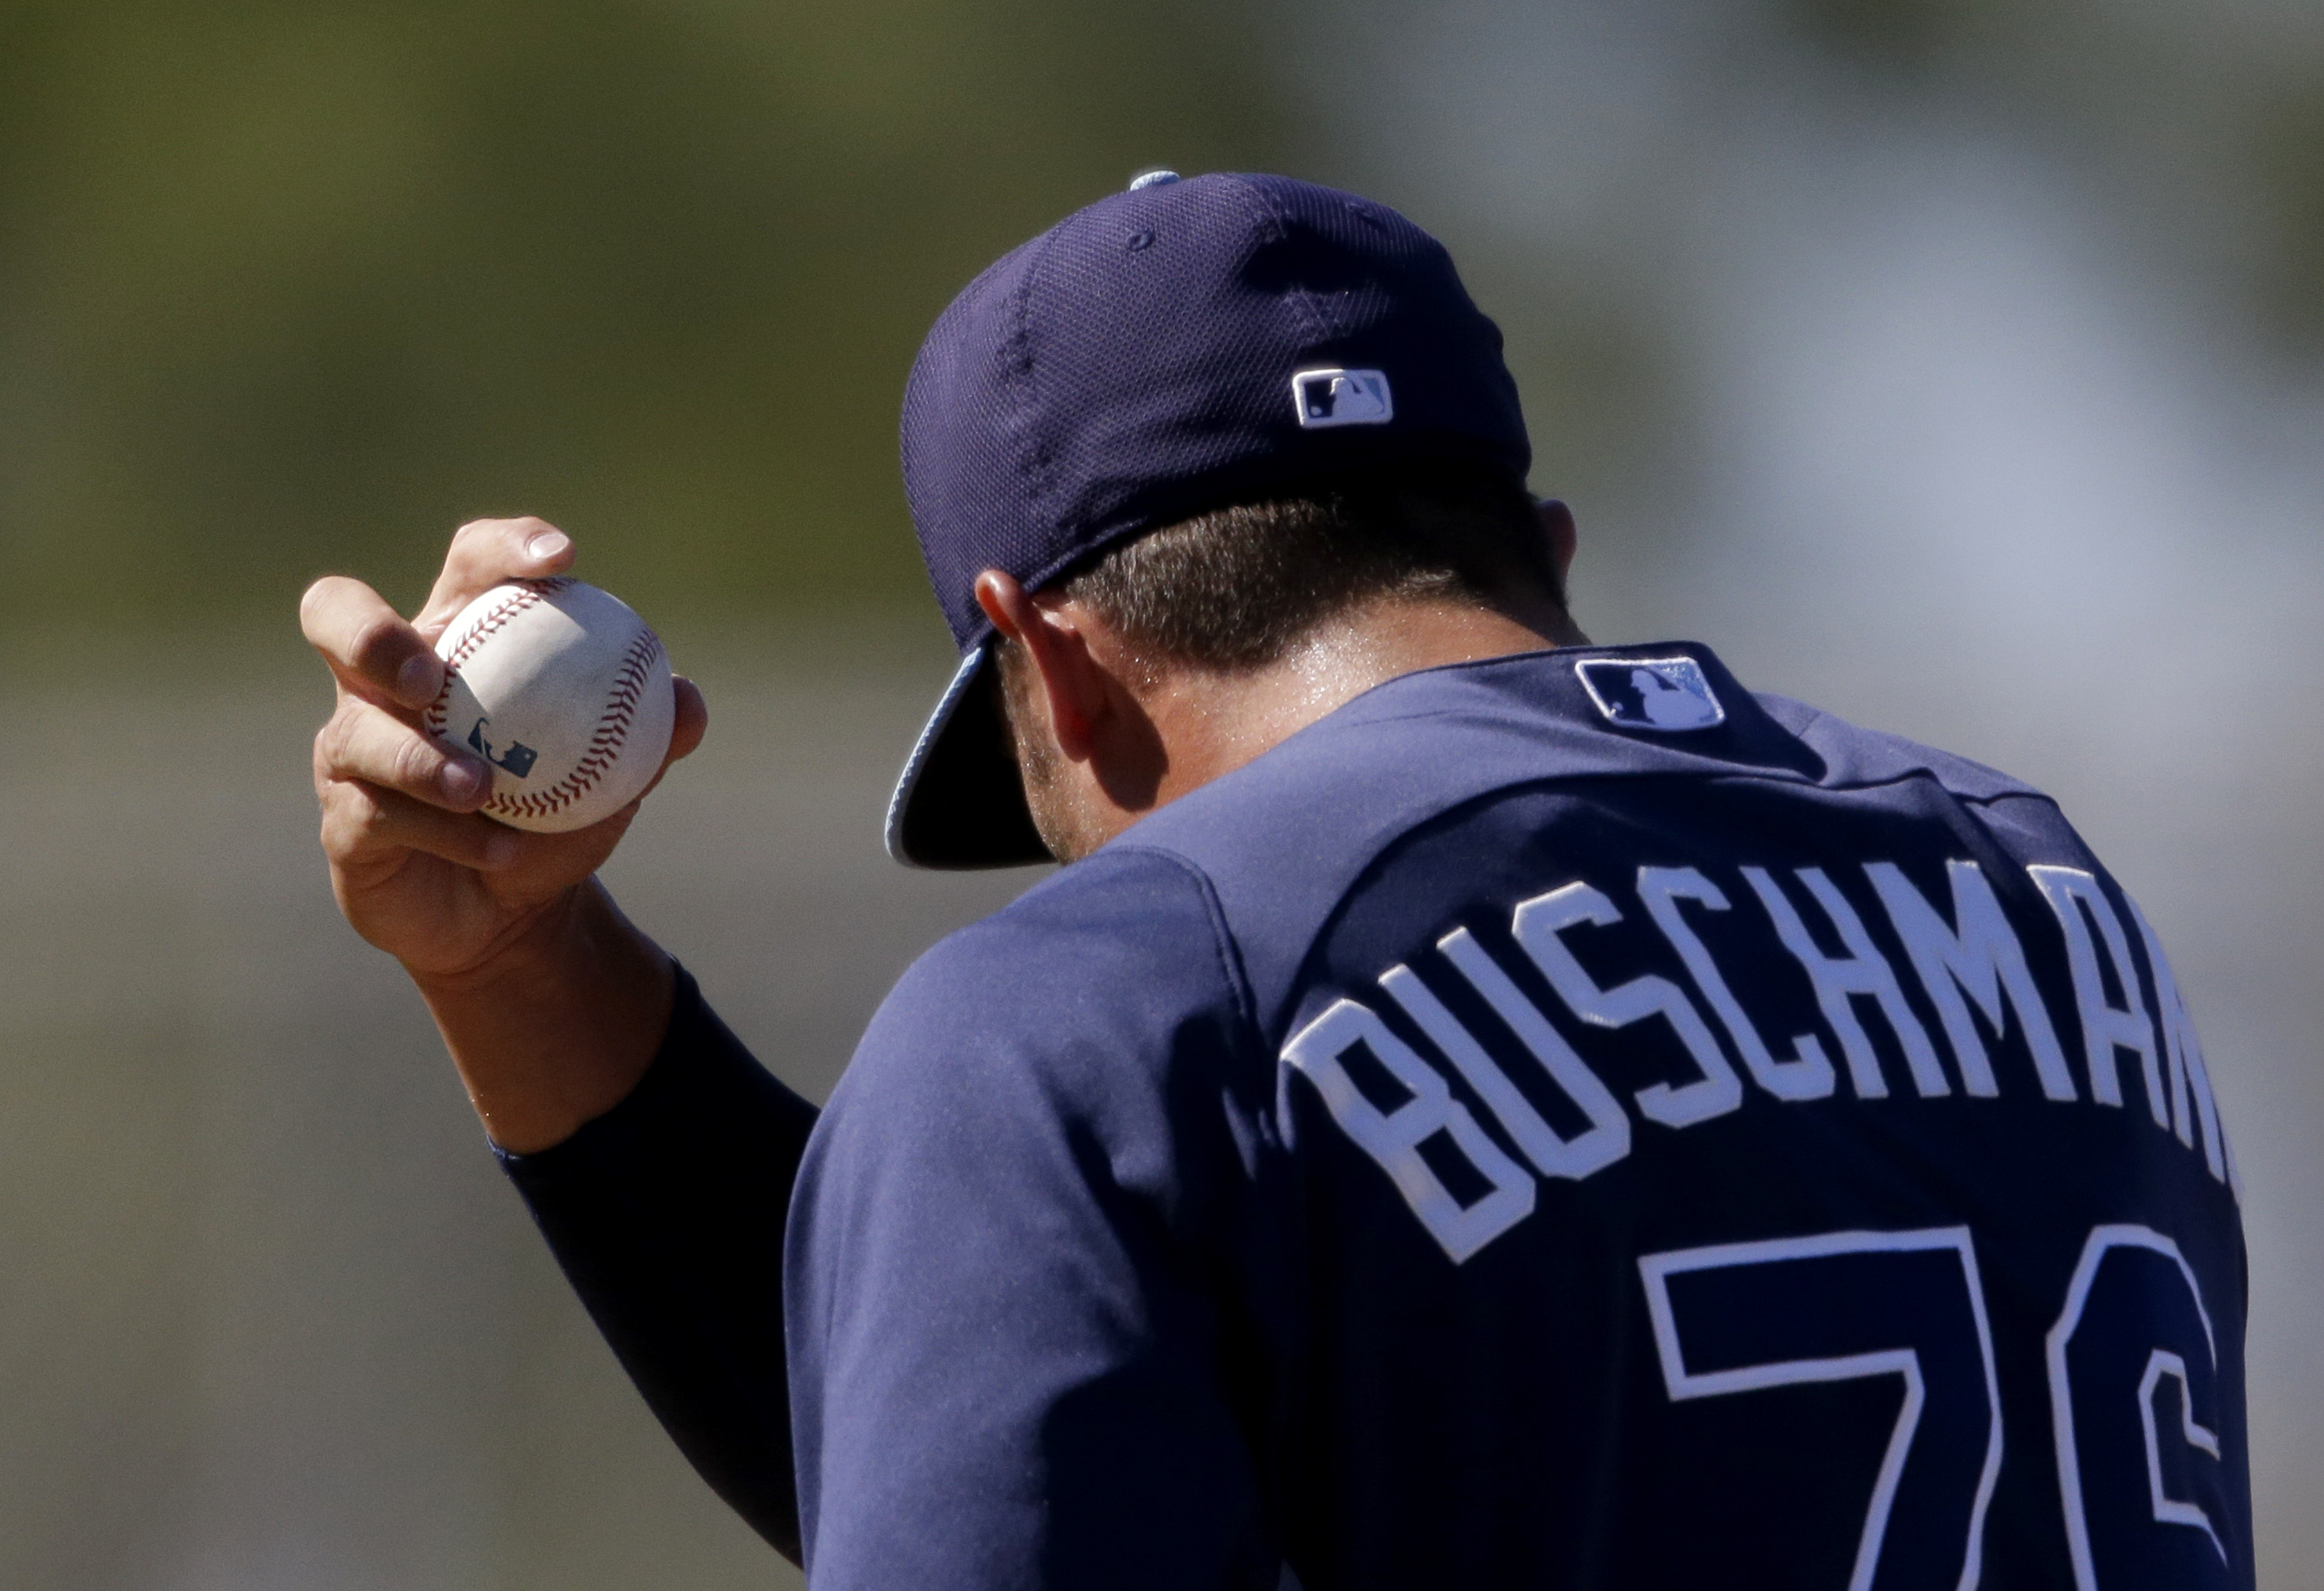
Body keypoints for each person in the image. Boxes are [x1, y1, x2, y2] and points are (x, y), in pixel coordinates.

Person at [301, 172, 2251, 1590]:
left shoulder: (1104, 1006)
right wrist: (525, 973)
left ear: (1041, 654)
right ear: (1539, 547)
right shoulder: (2042, 902)